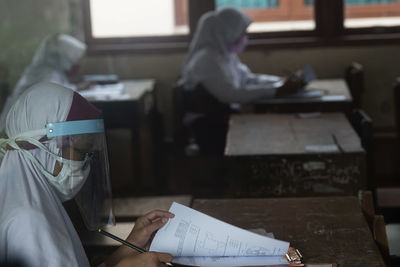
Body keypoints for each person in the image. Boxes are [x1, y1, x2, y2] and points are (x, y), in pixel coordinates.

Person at [0, 82, 173, 267]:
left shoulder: (30, 201)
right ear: (44, 149)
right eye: (82, 152)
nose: (84, 164)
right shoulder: (29, 222)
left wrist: (130, 246)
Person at [182, 7, 304, 104]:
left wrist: (279, 81)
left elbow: (248, 79)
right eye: (242, 33)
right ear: (229, 32)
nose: (245, 37)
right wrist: (276, 90)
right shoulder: (207, 59)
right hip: (210, 121)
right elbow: (230, 95)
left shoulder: (226, 54)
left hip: (226, 115)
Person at [0, 33, 93, 133]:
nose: (77, 65)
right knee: (84, 128)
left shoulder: (50, 69)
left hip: (28, 126)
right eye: (75, 61)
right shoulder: (47, 73)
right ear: (65, 59)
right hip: (22, 132)